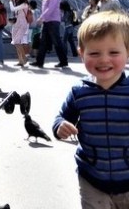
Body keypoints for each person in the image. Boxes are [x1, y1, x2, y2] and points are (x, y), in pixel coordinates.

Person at [53, 11, 129, 209]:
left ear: (128, 52)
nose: (104, 60)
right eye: (94, 53)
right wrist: (60, 126)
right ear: (81, 54)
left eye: (113, 52)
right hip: (91, 179)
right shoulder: (79, 92)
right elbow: (61, 117)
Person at [30, 0, 68, 68]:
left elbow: (50, 8)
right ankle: (39, 62)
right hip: (47, 22)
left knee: (56, 42)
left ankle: (63, 61)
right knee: (42, 42)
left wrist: (41, 18)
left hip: (53, 22)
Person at [9, 0, 30, 66]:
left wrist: (10, 1)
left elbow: (12, 9)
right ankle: (21, 60)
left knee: (17, 42)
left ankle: (24, 58)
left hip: (22, 24)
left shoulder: (24, 4)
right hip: (16, 24)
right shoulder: (18, 4)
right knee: (16, 42)